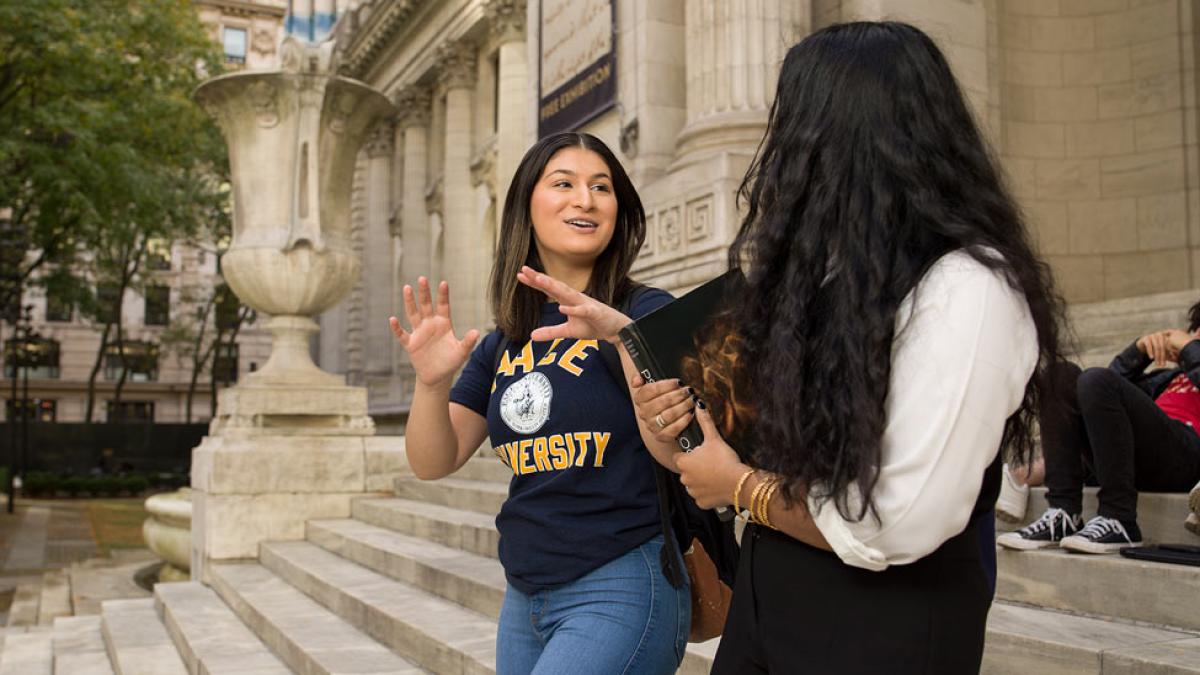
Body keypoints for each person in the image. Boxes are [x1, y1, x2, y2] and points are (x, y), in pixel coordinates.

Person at [517, 21, 1063, 673]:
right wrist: (639, 357)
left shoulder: (968, 288)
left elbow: (890, 521)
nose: (778, 154)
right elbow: (711, 448)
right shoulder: (824, 280)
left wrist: (741, 486)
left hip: (882, 636)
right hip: (768, 612)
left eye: (794, 126)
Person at [389, 131, 689, 675]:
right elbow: (433, 461)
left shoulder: (645, 314)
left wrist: (623, 338)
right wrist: (431, 384)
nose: (586, 199)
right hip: (525, 596)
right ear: (527, 204)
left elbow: (681, 451)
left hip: (621, 580)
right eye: (564, 184)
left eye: (602, 186)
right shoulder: (507, 339)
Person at [998, 303, 1200, 553]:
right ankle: (1063, 512)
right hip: (1139, 453)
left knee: (1097, 380)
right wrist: (1137, 353)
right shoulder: (1169, 378)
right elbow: (1097, 392)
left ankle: (1119, 518)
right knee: (1059, 376)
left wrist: (1190, 350)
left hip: (1186, 457)